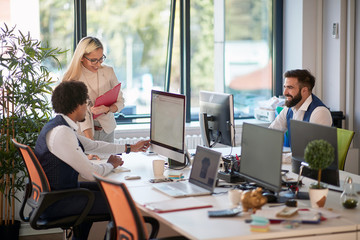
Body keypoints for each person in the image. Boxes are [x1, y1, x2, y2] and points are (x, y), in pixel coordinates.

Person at [34, 80, 150, 240]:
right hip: (58, 202)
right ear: (77, 106)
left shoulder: (58, 126)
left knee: (111, 190)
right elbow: (92, 173)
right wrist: (110, 164)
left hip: (55, 195)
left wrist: (130, 148)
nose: (88, 108)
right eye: (86, 103)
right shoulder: (62, 133)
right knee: (120, 201)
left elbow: (94, 146)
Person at [62, 36, 123, 160]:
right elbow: (81, 116)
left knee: (108, 169)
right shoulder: (73, 79)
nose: (98, 64)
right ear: (82, 58)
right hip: (84, 134)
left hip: (107, 130)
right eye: (94, 60)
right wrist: (91, 143)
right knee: (88, 172)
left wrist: (107, 109)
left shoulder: (108, 71)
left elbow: (121, 102)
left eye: (101, 59)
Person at [269, 69, 333, 147]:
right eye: (285, 87)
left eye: (290, 87)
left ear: (304, 90)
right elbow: (271, 134)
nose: (284, 92)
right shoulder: (289, 108)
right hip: (296, 158)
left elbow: (316, 154)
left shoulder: (319, 112)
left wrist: (285, 158)